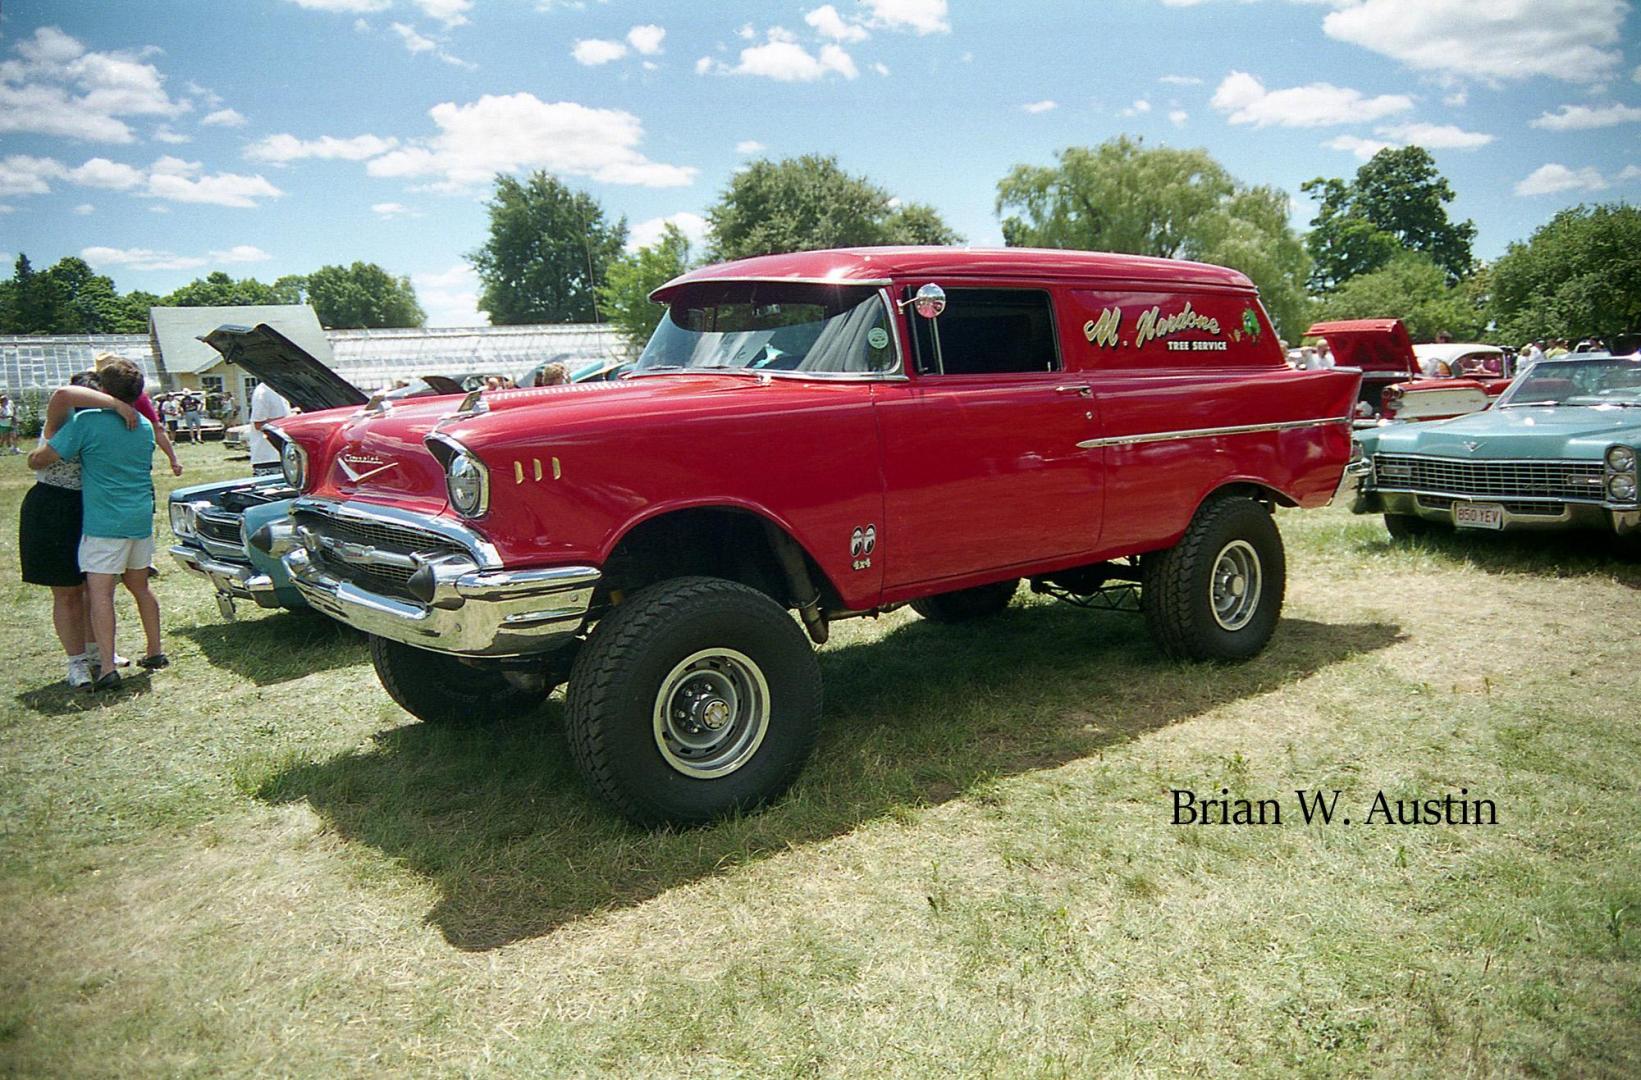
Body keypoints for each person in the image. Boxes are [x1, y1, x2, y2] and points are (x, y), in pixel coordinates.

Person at [27, 358, 166, 690]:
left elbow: (42, 458)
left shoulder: (87, 422)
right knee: (141, 589)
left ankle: (105, 666)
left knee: (99, 595)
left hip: (104, 523)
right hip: (139, 520)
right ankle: (155, 650)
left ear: (104, 391)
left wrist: (36, 456)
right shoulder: (145, 426)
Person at [247, 379, 292, 476]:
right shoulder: (263, 392)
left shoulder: (280, 392)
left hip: (284, 456)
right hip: (267, 458)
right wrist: (290, 420)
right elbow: (258, 424)